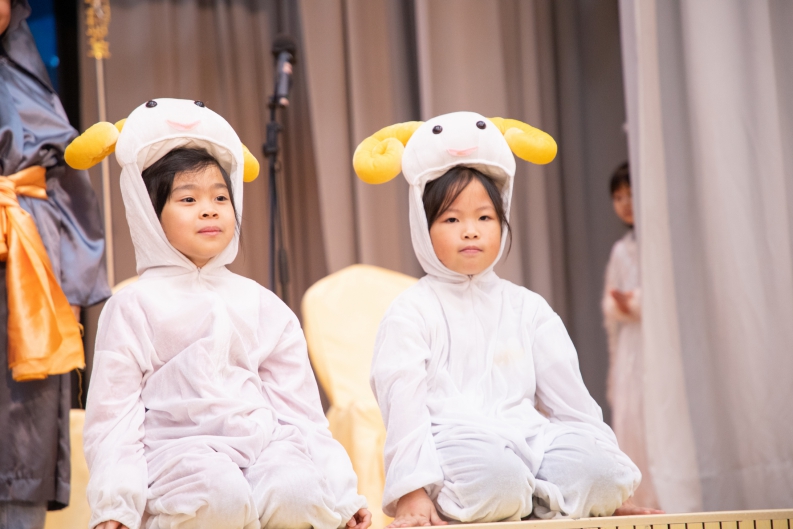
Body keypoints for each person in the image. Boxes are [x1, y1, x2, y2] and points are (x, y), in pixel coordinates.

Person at [79, 99, 370, 529]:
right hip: (176, 454)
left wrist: (341, 495)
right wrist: (115, 506)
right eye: (188, 198)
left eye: (220, 196)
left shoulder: (262, 304)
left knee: (299, 495)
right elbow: (113, 418)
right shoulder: (132, 305)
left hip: (264, 447)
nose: (210, 209)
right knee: (220, 498)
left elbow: (300, 411)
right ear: (148, 213)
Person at [356, 112, 657, 526]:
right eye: (451, 219)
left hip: (531, 439)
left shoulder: (528, 307)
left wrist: (608, 490)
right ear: (422, 227)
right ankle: (524, 499)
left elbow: (573, 404)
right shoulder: (410, 311)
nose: (471, 231)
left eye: (484, 217)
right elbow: (403, 410)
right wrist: (411, 491)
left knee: (602, 474)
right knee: (497, 479)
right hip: (455, 444)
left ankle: (530, 499)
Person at [0, 0, 111, 527]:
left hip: (29, 261)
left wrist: (74, 273)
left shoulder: (23, 74)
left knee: (26, 422)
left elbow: (65, 180)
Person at [602, 162, 660, 510]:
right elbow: (609, 302)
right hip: (629, 348)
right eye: (618, 197)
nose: (625, 203)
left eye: (631, 194)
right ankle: (639, 502)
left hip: (657, 344)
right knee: (630, 420)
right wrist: (621, 304)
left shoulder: (660, 244)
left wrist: (637, 301)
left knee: (658, 418)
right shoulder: (620, 250)